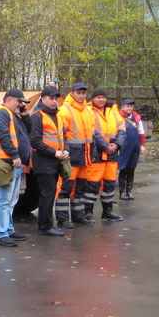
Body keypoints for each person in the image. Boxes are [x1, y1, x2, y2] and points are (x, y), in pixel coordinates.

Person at [0, 88, 32, 246]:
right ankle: (2, 234)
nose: (21, 105)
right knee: (4, 201)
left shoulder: (13, 115)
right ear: (9, 100)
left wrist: (25, 116)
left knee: (11, 201)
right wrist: (14, 155)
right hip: (6, 164)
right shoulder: (2, 113)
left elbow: (28, 132)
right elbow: (3, 136)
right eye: (19, 102)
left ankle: (8, 230)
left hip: (14, 165)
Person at [30, 87, 70, 236]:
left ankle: (45, 225)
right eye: (51, 98)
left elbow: (62, 136)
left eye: (55, 99)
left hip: (55, 160)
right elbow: (35, 141)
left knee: (49, 193)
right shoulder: (37, 116)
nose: (54, 101)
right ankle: (46, 226)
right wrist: (54, 152)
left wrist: (65, 150)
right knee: (48, 193)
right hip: (44, 161)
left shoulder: (57, 115)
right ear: (43, 99)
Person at [55, 83, 96, 228]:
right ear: (72, 93)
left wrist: (93, 153)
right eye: (78, 93)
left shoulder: (88, 111)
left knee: (80, 189)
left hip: (85, 157)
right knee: (65, 188)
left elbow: (92, 135)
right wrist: (64, 152)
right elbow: (61, 135)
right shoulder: (65, 110)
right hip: (71, 157)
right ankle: (62, 219)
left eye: (83, 93)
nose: (81, 95)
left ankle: (78, 216)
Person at [86, 89, 126, 222]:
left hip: (111, 154)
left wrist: (116, 144)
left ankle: (107, 212)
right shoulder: (88, 110)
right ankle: (88, 212)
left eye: (103, 97)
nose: (101, 100)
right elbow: (91, 131)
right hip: (96, 152)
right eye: (98, 97)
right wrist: (105, 146)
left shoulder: (113, 110)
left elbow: (122, 129)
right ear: (93, 99)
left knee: (110, 183)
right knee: (92, 183)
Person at [117, 99, 146, 200]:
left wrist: (142, 145)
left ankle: (128, 191)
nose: (129, 108)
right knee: (123, 168)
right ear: (123, 107)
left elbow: (141, 132)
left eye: (131, 106)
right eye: (127, 106)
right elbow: (116, 132)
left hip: (135, 146)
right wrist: (118, 146)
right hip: (124, 146)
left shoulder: (137, 118)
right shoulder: (118, 117)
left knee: (131, 168)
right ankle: (121, 192)